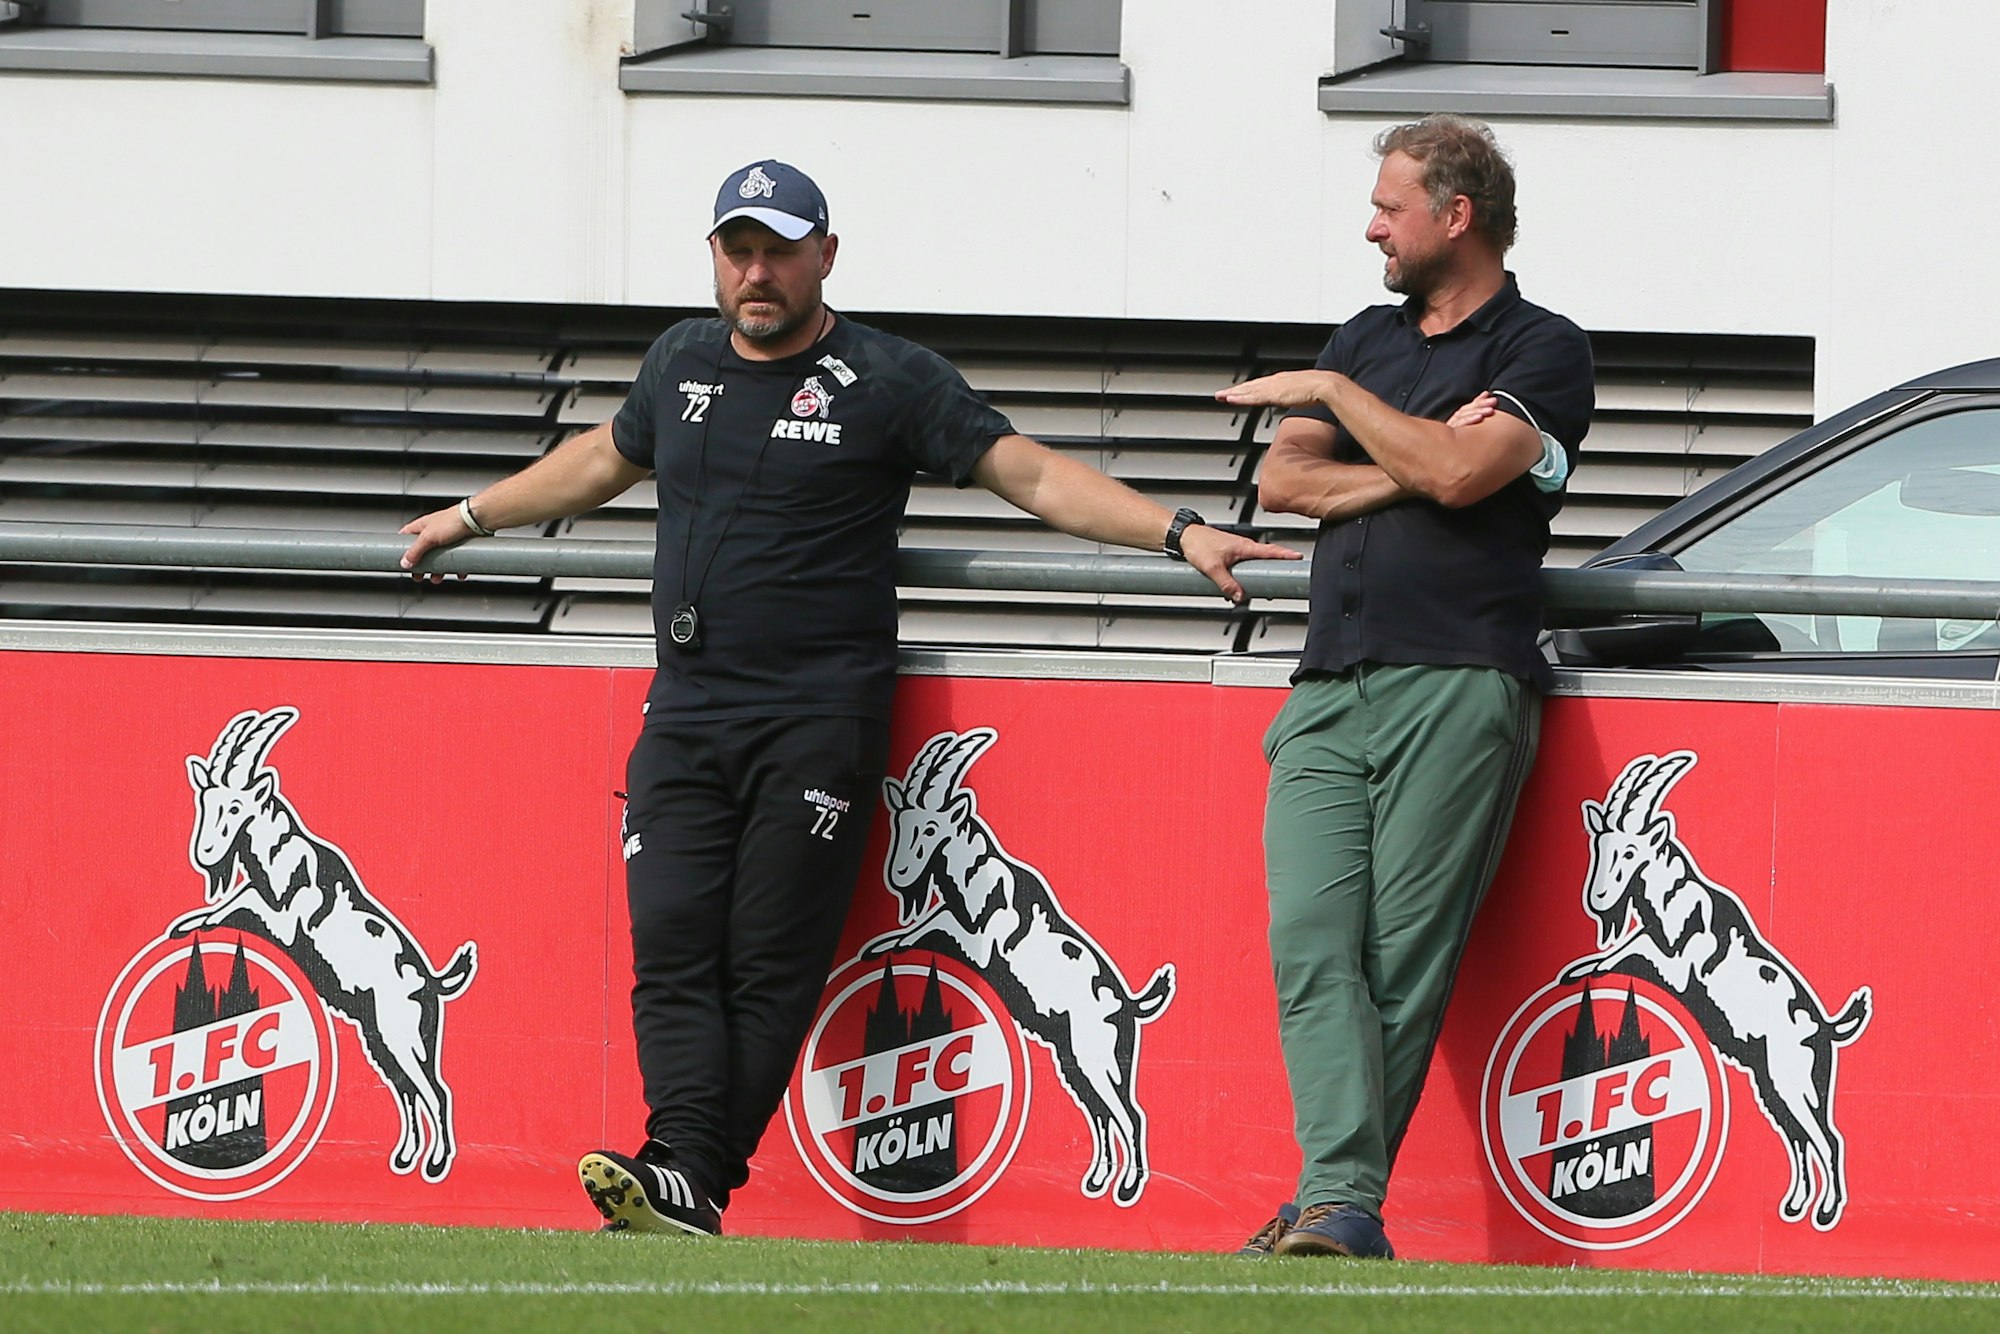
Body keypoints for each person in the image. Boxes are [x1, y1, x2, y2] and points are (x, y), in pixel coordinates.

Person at [399, 159, 1297, 1237]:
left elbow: (1033, 474)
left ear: (826, 253)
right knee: (672, 941)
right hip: (684, 709)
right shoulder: (679, 359)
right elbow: (601, 457)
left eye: (780, 249)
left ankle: (684, 1169)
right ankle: (683, 1172)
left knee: (769, 958)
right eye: (739, 249)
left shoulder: (888, 377)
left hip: (816, 718)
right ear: (714, 258)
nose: (757, 271)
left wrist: (1179, 529)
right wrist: (466, 515)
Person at [1214, 116, 1594, 1259]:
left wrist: (1347, 401)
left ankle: (1331, 1199)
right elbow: (1287, 482)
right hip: (1326, 684)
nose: (1369, 225)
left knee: (1397, 963)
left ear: (1455, 216)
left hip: (1460, 680)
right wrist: (1422, 461)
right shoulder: (1366, 334)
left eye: (1389, 206)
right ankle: (1338, 1199)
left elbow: (1469, 471)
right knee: (1308, 941)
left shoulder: (1544, 346)